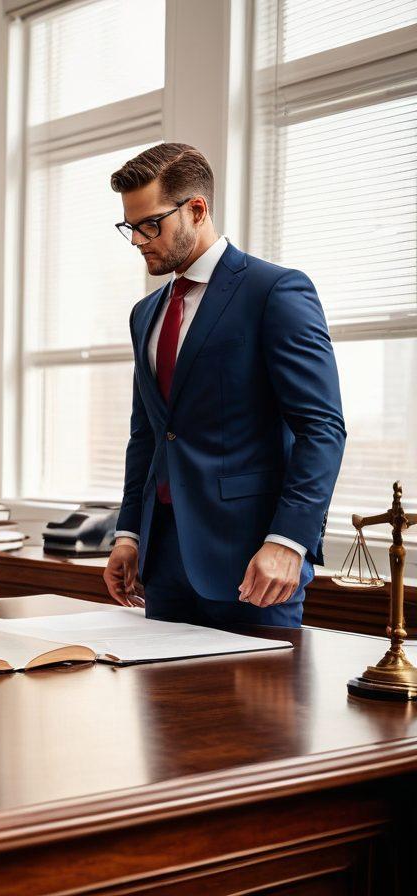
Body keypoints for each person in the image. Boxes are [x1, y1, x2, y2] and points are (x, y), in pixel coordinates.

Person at [102, 143, 345, 627]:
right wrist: (129, 532)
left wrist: (288, 541)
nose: (138, 240)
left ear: (196, 209)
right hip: (163, 563)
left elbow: (322, 429)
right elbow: (147, 435)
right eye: (130, 227)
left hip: (254, 564)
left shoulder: (275, 291)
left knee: (258, 706)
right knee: (164, 704)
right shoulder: (144, 314)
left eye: (150, 224)